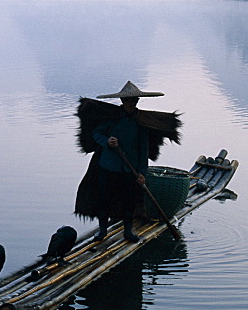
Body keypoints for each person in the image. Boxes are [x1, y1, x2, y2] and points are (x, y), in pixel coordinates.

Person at [74, 80, 182, 244]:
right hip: (108, 165)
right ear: (122, 101)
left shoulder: (141, 122)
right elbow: (97, 134)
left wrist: (142, 173)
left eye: (133, 100)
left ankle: (128, 232)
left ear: (137, 101)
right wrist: (107, 141)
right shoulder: (112, 118)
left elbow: (143, 149)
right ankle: (102, 231)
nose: (130, 103)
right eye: (128, 100)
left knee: (129, 201)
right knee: (104, 199)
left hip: (129, 169)